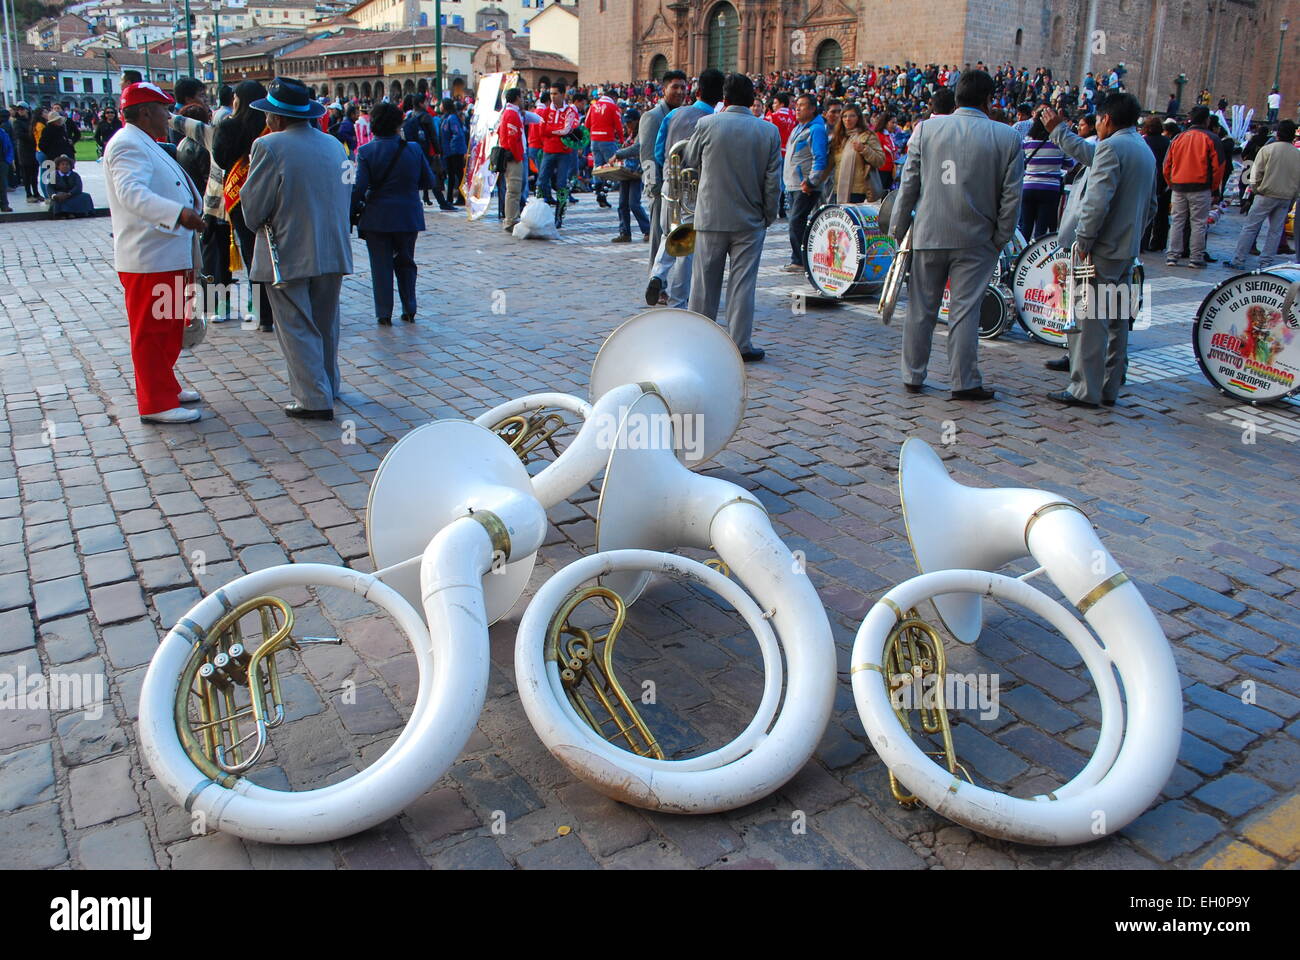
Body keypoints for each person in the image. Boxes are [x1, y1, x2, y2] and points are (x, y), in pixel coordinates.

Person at [889, 70, 1024, 401]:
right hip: (977, 237)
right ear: (989, 101)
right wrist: (1001, 237)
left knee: (922, 308)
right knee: (965, 311)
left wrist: (898, 228)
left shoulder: (927, 129)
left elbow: (909, 185)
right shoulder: (1007, 137)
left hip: (929, 232)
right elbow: (1011, 197)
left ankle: (912, 374)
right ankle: (964, 380)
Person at [241, 78, 354, 420]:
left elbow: (253, 208)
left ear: (275, 117)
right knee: (325, 322)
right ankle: (328, 384)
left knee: (296, 325)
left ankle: (312, 398)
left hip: (287, 248)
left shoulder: (269, 146)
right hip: (331, 245)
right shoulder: (334, 144)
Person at [1038, 94, 1155, 408]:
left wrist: (1084, 241)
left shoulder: (1112, 147)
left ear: (1107, 119)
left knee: (1090, 320)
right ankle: (1108, 386)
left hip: (1101, 249)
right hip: (1125, 249)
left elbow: (1096, 204)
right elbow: (1152, 206)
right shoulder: (1142, 149)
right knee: (1116, 320)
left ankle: (1084, 390)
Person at [103, 81, 206, 425]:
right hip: (150, 256)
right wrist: (178, 213)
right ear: (145, 112)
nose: (169, 114)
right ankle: (155, 402)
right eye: (163, 108)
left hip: (167, 252)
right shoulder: (127, 145)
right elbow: (132, 194)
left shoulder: (142, 142)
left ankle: (165, 385)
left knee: (169, 327)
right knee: (151, 331)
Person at [684, 72, 780, 362]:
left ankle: (698, 341)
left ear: (724, 98)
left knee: (703, 284)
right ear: (752, 99)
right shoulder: (768, 131)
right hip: (749, 219)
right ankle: (740, 343)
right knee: (743, 284)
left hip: (711, 215)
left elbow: (689, 159)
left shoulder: (707, 124)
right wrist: (768, 215)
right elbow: (773, 182)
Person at [352, 100, 435, 325]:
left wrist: (351, 211)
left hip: (377, 217)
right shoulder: (414, 149)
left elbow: (359, 187)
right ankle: (409, 307)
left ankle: (384, 313)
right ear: (398, 125)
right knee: (406, 262)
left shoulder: (367, 151)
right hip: (408, 214)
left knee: (381, 266)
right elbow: (430, 179)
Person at [649, 68, 725, 306]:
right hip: (695, 192)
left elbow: (659, 152)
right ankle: (678, 301)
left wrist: (667, 175)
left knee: (667, 234)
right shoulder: (715, 122)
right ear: (720, 97)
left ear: (697, 90)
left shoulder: (674, 115)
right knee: (686, 248)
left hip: (670, 184)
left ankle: (657, 274)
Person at [213, 80, 275, 331]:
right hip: (270, 190)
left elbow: (219, 157)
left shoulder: (230, 126)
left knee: (253, 254)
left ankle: (262, 313)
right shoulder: (270, 124)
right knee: (274, 252)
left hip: (240, 195)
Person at [170, 100, 234, 323]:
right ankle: (239, 307)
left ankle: (212, 303)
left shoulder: (194, 142)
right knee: (222, 260)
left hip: (208, 206)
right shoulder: (217, 143)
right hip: (222, 206)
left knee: (210, 258)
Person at [1226, 121, 1300, 270]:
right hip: (1286, 196)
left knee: (1251, 227)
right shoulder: (1296, 154)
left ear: (1277, 133)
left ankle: (1238, 259)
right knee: (1275, 231)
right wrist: (1293, 198)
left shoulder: (1268, 150)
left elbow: (1256, 172)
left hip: (1265, 193)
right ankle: (1266, 262)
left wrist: (1255, 189)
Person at [639, 70, 688, 278]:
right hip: (660, 188)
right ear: (664, 89)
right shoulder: (652, 116)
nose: (679, 91)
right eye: (675, 87)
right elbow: (647, 155)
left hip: (680, 187)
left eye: (683, 87)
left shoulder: (683, 115)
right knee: (659, 238)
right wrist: (653, 189)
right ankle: (655, 280)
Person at [1164, 106, 1223, 268]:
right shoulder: (1211, 138)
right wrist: (1214, 188)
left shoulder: (1178, 138)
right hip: (1201, 187)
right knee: (1198, 222)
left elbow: (1167, 164)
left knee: (1177, 221)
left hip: (1178, 186)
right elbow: (1218, 167)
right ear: (1207, 120)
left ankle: (1172, 255)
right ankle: (1196, 257)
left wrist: (1172, 183)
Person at [782, 93, 830, 273]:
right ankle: (800, 259)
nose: (797, 109)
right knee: (796, 221)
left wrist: (811, 181)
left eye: (802, 106)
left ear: (812, 108)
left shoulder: (816, 129)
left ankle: (801, 260)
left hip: (805, 186)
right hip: (793, 184)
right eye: (797, 105)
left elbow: (820, 158)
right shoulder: (798, 127)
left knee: (796, 221)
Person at [1019, 115, 1072, 239]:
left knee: (1025, 226)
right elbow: (1069, 166)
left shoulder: (1027, 143)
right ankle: (1036, 256)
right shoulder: (1059, 145)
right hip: (1050, 189)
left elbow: (1020, 163)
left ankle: (1022, 255)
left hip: (1028, 187)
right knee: (1041, 229)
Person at [829, 103, 885, 203]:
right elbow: (829, 164)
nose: (848, 119)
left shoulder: (868, 136)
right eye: (845, 116)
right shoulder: (838, 138)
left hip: (859, 191)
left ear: (858, 118)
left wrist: (864, 149)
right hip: (838, 189)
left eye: (852, 116)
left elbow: (880, 160)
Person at [611, 108, 650, 242]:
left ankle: (648, 229)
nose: (627, 125)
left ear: (637, 121)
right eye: (626, 123)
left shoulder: (642, 133)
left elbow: (637, 148)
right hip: (626, 172)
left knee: (634, 203)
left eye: (630, 122)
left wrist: (618, 154)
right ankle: (625, 232)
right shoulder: (630, 134)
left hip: (636, 173)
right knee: (622, 204)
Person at [586, 86, 623, 209]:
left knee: (598, 166)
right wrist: (622, 139)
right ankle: (603, 194)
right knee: (611, 167)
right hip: (607, 140)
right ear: (614, 97)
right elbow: (618, 125)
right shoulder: (613, 107)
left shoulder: (593, 105)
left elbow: (586, 123)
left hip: (594, 140)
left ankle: (597, 190)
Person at [498, 86, 527, 232]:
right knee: (513, 189)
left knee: (513, 189)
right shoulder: (511, 114)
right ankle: (511, 219)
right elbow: (512, 139)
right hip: (513, 157)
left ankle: (511, 217)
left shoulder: (510, 113)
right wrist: (517, 156)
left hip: (512, 155)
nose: (522, 99)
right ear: (516, 98)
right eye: (521, 96)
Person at [1141, 115, 1171, 252]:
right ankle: (1159, 243)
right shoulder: (1167, 142)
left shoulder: (1143, 142)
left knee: (1145, 213)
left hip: (1147, 180)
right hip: (1164, 182)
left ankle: (1142, 242)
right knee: (1162, 215)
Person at [438, 98, 468, 206]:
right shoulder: (446, 118)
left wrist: (452, 148)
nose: (439, 106)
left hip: (454, 151)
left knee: (458, 174)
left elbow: (457, 134)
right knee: (451, 175)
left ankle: (462, 197)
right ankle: (449, 198)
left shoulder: (452, 118)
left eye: (441, 104)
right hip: (448, 151)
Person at [0, 120, 11, 212]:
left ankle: (4, 204)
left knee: (3, 184)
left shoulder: (2, 133)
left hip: (2, 161)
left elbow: (9, 147)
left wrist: (7, 160)